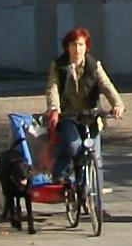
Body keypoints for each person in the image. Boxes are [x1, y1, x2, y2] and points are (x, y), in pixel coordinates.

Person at [45, 25, 125, 182]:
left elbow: (106, 85)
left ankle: (96, 200)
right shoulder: (59, 66)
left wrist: (118, 104)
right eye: (73, 44)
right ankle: (60, 174)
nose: (77, 49)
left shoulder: (94, 66)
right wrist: (54, 108)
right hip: (68, 116)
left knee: (94, 155)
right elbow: (52, 88)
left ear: (86, 46)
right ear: (67, 47)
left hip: (91, 116)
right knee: (74, 145)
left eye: (81, 44)